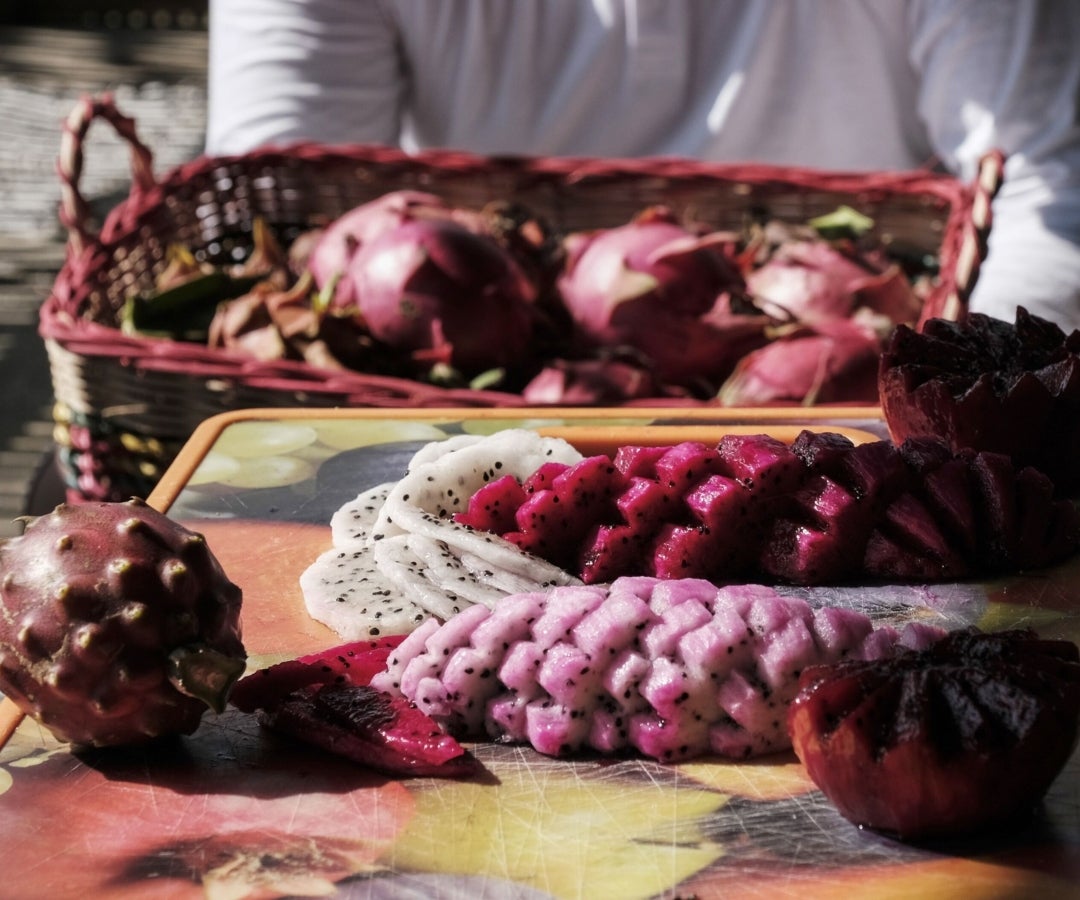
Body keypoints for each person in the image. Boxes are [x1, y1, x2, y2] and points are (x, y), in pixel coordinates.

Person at [205, 0, 1080, 331]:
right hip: (453, 389)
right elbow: (280, 220)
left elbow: (1053, 179)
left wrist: (947, 423)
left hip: (853, 403)